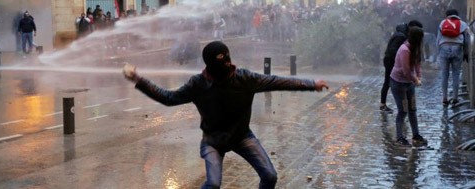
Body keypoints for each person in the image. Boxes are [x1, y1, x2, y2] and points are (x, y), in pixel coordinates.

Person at [123, 41, 329, 189]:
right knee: (212, 184)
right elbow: (168, 98)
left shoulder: (246, 78)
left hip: (242, 137)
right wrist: (139, 80)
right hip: (212, 140)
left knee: (270, 176)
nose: (227, 71)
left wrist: (311, 84)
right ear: (209, 68)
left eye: (228, 66)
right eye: (220, 69)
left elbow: (278, 81)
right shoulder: (197, 84)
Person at [390, 26, 428, 147]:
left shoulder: (415, 49)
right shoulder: (404, 50)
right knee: (403, 110)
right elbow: (406, 70)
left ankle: (416, 135)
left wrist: (419, 77)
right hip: (398, 83)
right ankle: (400, 137)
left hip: (409, 84)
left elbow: (417, 65)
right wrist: (415, 80)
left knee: (412, 108)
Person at [436, 9, 469, 106]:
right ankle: (455, 98)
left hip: (444, 48)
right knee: (456, 74)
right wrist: (465, 53)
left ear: (447, 16)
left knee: (444, 74)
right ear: (457, 15)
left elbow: (438, 39)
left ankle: (445, 98)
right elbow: (466, 41)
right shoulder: (462, 24)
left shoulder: (442, 23)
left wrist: (439, 52)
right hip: (457, 48)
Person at [380, 23, 408, 113]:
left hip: (388, 59)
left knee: (387, 82)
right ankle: (385, 105)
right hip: (391, 61)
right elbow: (393, 50)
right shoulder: (401, 36)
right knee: (391, 82)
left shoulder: (396, 35)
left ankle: (383, 104)